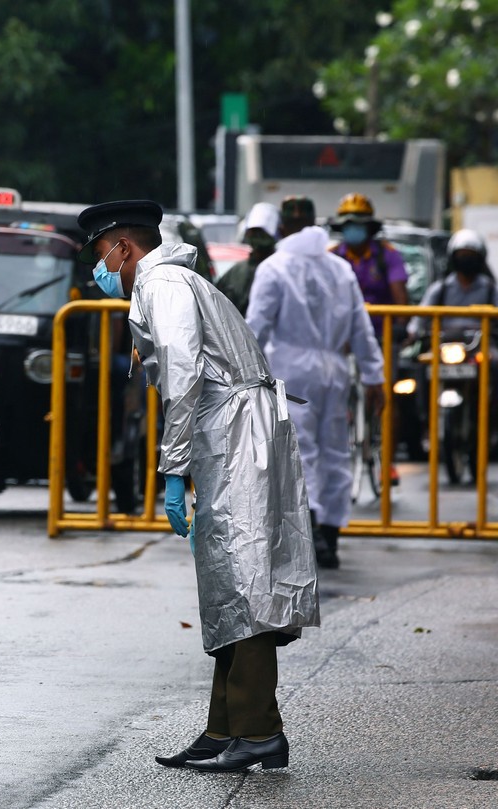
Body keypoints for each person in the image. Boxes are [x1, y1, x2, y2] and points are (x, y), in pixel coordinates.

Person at [78, 199, 319, 773]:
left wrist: (172, 467)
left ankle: (256, 731)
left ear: (124, 249)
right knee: (229, 579)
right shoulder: (170, 283)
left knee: (247, 578)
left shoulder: (164, 286)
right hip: (234, 432)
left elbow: (182, 377)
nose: (100, 272)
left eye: (100, 258)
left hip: (235, 434)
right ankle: (226, 726)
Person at [246, 196, 385, 570]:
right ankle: (331, 535)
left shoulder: (274, 268)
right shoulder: (340, 269)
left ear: (282, 228)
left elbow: (255, 329)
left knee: (299, 451)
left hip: (290, 369)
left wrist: (238, 376)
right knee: (336, 451)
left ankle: (311, 535)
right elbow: (361, 327)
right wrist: (375, 376)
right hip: (334, 368)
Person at [329, 192, 410, 341]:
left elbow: (401, 298)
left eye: (358, 224)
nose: (353, 229)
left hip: (380, 336)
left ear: (369, 227)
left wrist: (399, 328)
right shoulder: (331, 256)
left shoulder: (388, 254)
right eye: (348, 224)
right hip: (341, 335)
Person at [406, 228, 498, 340]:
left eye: (471, 255)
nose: (466, 260)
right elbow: (420, 318)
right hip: (444, 345)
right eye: (462, 255)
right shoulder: (440, 289)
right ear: (453, 257)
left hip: (482, 346)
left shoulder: (491, 289)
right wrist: (411, 334)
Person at [213, 202, 280, 316]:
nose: (257, 237)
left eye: (262, 233)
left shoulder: (282, 271)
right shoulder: (235, 273)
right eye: (253, 232)